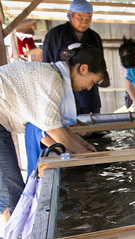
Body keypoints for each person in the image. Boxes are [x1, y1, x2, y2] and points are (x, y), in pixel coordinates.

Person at [0, 45, 107, 221]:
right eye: (93, 82)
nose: (89, 88)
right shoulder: (51, 79)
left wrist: (84, 147)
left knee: (12, 188)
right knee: (12, 190)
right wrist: (87, 157)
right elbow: (53, 129)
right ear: (83, 69)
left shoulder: (53, 74)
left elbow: (58, 126)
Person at [43, 0, 103, 114]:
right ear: (71, 15)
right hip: (62, 91)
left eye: (88, 19)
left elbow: (99, 66)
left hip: (88, 94)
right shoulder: (55, 35)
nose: (84, 22)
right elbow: (47, 64)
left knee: (90, 126)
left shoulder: (94, 37)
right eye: (80, 18)